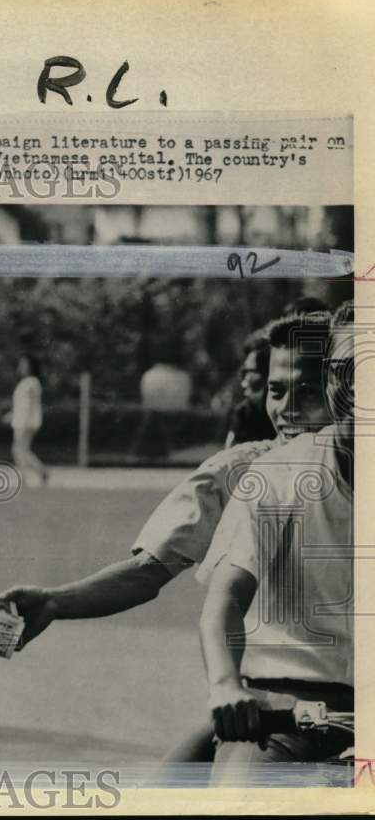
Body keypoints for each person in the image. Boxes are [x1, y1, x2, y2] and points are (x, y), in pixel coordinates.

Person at [0, 311, 333, 761]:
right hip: (272, 709)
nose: (287, 409)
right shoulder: (242, 473)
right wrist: (56, 602)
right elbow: (150, 571)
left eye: (308, 393)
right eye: (275, 390)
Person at [198, 301, 353, 779]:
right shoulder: (277, 473)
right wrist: (225, 684)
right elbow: (223, 599)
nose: (355, 386)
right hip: (284, 716)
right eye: (344, 371)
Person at [223, 329, 276, 449]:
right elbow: (230, 451)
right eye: (244, 372)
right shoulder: (243, 413)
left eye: (250, 372)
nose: (244, 381)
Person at [9, 354, 48, 488]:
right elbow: (21, 404)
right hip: (21, 420)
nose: (21, 367)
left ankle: (25, 477)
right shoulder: (25, 382)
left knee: (19, 450)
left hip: (25, 422)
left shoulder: (32, 382)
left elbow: (31, 404)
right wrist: (12, 414)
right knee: (22, 451)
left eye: (24, 364)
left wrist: (25, 422)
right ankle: (41, 472)